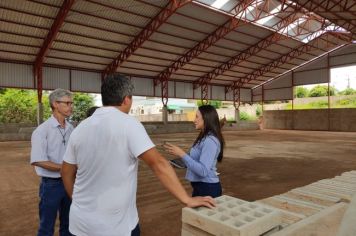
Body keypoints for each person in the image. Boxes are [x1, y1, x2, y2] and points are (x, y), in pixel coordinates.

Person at [60, 74, 215, 236]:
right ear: (126, 99)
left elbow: (66, 172)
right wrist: (187, 199)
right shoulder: (128, 123)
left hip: (79, 225)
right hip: (116, 227)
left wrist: (77, 201)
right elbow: (159, 164)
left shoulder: (80, 128)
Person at [30, 88, 74, 236]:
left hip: (69, 182)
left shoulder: (71, 128)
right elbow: (38, 160)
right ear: (55, 104)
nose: (71, 106)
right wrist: (66, 168)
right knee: (46, 227)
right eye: (67, 103)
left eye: (71, 103)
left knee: (68, 224)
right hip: (51, 185)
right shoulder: (42, 131)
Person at [164, 105, 224, 198]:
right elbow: (193, 160)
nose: (194, 120)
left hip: (208, 189)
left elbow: (203, 171)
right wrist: (172, 163)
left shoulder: (210, 141)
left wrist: (182, 154)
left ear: (206, 118)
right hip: (201, 187)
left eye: (197, 117)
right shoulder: (204, 137)